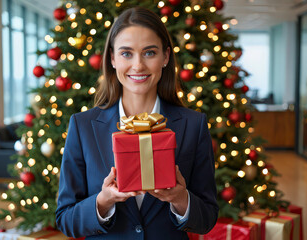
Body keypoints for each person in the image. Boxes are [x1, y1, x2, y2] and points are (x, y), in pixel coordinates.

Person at [56, 7, 218, 239]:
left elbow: (207, 219)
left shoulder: (194, 125)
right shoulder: (83, 126)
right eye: (126, 53)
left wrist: (181, 199)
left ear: (166, 57)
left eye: (149, 53)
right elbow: (65, 219)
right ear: (112, 58)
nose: (138, 65)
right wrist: (104, 202)